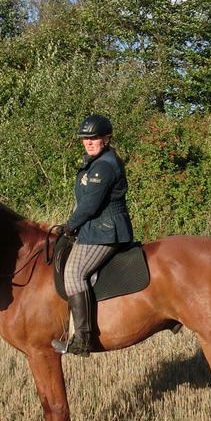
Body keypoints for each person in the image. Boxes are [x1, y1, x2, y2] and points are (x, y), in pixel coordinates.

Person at [52, 114, 134, 356]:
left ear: (106, 139)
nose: (89, 142)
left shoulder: (105, 166)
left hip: (105, 231)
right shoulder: (96, 162)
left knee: (74, 273)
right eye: (85, 138)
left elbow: (89, 205)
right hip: (95, 228)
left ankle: (83, 339)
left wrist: (69, 226)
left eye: (94, 138)